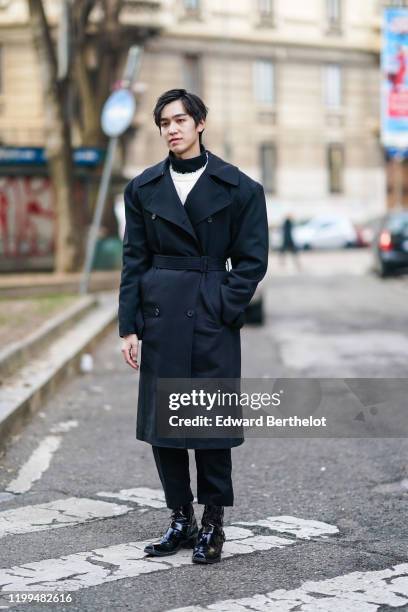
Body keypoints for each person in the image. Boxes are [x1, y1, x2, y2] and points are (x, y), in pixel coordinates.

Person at [118, 88, 269, 564]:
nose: (172, 129)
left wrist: (221, 305)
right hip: (160, 317)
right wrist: (130, 325)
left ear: (200, 123)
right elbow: (133, 259)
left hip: (209, 317)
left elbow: (251, 260)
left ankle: (213, 524)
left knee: (209, 427)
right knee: (165, 428)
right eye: (164, 122)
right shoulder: (142, 188)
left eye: (181, 120)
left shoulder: (239, 188)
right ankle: (180, 518)